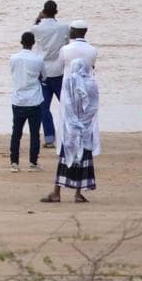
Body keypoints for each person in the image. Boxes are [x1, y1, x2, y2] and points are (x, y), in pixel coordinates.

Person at [41, 59, 99, 204]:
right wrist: (83, 123)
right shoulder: (91, 83)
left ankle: (56, 193)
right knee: (83, 160)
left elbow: (66, 105)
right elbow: (93, 107)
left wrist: (73, 123)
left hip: (71, 128)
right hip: (85, 128)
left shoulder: (68, 82)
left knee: (66, 159)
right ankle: (78, 194)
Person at [29, 1, 70, 148]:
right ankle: (68, 135)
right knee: (66, 105)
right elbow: (67, 42)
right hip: (60, 71)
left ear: (44, 12)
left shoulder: (37, 28)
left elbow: (29, 36)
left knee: (43, 107)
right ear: (56, 12)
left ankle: (49, 138)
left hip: (43, 72)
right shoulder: (65, 27)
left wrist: (38, 18)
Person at [9, 31, 44, 172]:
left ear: (21, 42)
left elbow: (13, 73)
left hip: (18, 100)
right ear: (33, 43)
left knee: (16, 133)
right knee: (34, 133)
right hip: (34, 100)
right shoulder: (38, 59)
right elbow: (44, 76)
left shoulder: (13, 58)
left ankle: (14, 163)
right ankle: (33, 163)